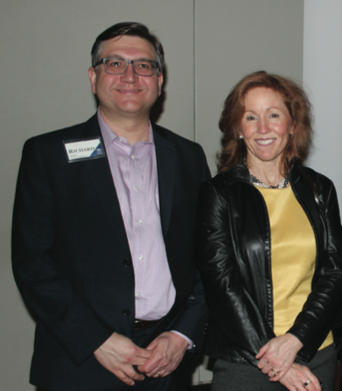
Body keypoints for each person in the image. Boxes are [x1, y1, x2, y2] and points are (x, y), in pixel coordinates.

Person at [12, 22, 210, 391]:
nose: (130, 75)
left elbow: (208, 258)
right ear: (93, 76)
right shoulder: (48, 155)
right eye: (114, 63)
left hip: (164, 363)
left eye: (144, 65)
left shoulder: (188, 157)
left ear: (159, 79)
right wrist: (96, 340)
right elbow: (32, 263)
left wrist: (182, 334)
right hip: (79, 363)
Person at [195, 71, 342, 391]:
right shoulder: (219, 193)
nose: (263, 128)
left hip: (315, 351)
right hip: (246, 359)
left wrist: (296, 340)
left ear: (292, 124)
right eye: (251, 117)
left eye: (274, 115)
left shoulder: (320, 189)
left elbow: (335, 272)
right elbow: (222, 286)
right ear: (237, 128)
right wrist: (275, 359)